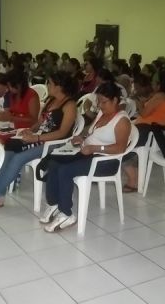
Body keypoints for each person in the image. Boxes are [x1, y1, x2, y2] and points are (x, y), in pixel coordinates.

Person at [39, 82, 132, 232]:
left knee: (65, 170)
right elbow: (92, 132)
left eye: (104, 102)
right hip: (87, 153)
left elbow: (120, 148)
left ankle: (66, 213)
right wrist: (82, 137)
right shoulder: (102, 114)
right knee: (54, 162)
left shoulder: (122, 121)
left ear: (115, 100)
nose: (100, 105)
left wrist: (95, 148)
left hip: (106, 161)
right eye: (99, 101)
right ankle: (53, 203)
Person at [0, 71, 78, 208]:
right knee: (7, 152)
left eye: (50, 83)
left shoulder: (69, 106)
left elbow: (62, 133)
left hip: (55, 143)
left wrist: (37, 138)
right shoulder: (51, 101)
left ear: (59, 87)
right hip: (41, 138)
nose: (48, 86)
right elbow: (40, 122)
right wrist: (31, 130)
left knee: (18, 158)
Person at [122, 71, 165, 192]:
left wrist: (138, 103)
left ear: (159, 84)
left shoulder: (160, 96)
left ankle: (132, 180)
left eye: (153, 82)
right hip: (147, 128)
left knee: (121, 145)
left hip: (149, 131)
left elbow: (144, 113)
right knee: (121, 137)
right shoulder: (160, 95)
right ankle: (134, 176)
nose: (151, 84)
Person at [0, 70, 40, 144]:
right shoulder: (12, 95)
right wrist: (0, 116)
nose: (9, 88)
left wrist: (12, 118)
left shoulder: (31, 96)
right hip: (14, 127)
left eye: (10, 86)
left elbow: (33, 120)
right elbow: (11, 112)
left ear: (19, 85)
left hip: (27, 130)